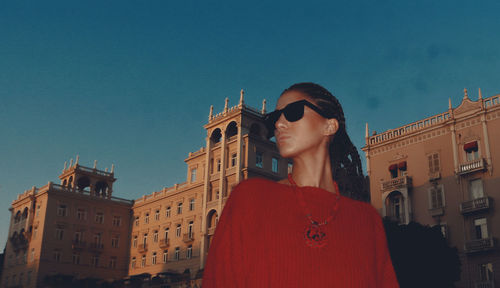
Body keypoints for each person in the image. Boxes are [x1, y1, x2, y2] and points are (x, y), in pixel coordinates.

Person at [202, 82, 399, 287]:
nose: (279, 124)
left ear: (329, 126)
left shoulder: (367, 221)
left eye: (293, 112)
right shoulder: (250, 199)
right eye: (274, 119)